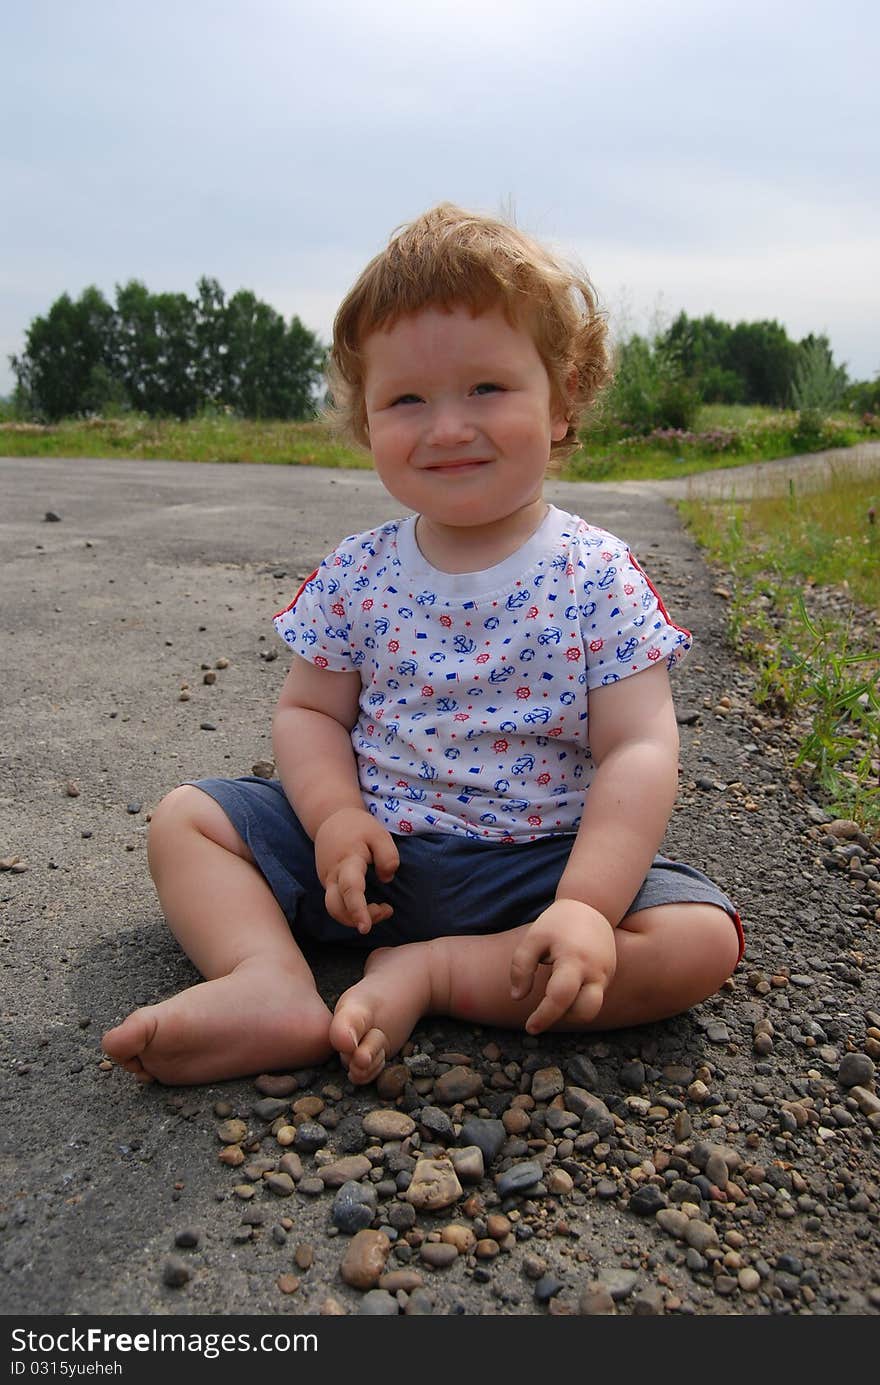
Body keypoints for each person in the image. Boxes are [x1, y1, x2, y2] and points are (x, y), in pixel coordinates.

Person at [102, 203, 743, 1087]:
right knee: (189, 821)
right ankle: (270, 984)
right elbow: (309, 711)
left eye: (486, 389)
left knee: (698, 940)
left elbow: (638, 744)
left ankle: (442, 974)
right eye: (407, 399)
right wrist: (332, 819)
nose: (447, 427)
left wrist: (589, 905)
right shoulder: (357, 572)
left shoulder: (598, 574)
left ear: (563, 402)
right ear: (368, 423)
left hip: (536, 870)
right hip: (372, 861)